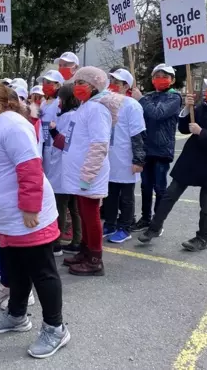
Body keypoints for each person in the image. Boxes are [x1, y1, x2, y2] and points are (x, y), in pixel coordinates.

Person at [0, 81, 70, 359]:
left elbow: (29, 167)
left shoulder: (12, 125)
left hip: (28, 217)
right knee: (14, 271)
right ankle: (16, 315)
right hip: (3, 219)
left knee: (42, 273)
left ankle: (55, 328)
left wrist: (29, 206)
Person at [138, 77, 207, 250]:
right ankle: (154, 228)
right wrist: (187, 109)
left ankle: (202, 239)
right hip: (191, 159)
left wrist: (202, 132)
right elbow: (184, 128)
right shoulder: (204, 107)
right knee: (169, 195)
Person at [61, 67, 123, 276]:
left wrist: (88, 174)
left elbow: (99, 144)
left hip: (89, 173)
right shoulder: (87, 106)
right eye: (76, 83)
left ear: (94, 86)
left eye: (82, 83)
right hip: (81, 172)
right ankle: (85, 251)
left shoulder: (97, 109)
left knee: (91, 214)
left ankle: (95, 259)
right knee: (84, 213)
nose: (77, 87)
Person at [130, 64, 182, 233]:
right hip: (146, 149)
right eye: (157, 76)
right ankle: (145, 218)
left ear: (172, 80)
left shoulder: (174, 98)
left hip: (162, 149)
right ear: (152, 80)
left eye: (165, 76)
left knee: (160, 187)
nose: (161, 79)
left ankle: (157, 222)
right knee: (146, 186)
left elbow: (157, 113)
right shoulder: (149, 96)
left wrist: (141, 100)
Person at [102, 68, 146, 244]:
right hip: (109, 158)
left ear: (126, 86)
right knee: (110, 195)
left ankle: (125, 227)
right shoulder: (105, 102)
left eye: (117, 82)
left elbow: (138, 135)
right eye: (111, 80)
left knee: (126, 197)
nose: (112, 85)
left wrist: (138, 159)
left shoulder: (132, 105)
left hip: (126, 159)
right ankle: (110, 224)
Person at [46, 84, 82, 255]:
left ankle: (56, 242)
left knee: (60, 206)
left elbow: (63, 143)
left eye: (61, 99)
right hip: (69, 168)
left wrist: (53, 131)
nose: (58, 102)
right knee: (74, 207)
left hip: (63, 168)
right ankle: (77, 240)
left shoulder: (70, 117)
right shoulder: (74, 115)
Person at [37, 70, 65, 176]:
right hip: (44, 144)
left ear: (58, 85)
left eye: (49, 83)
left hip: (54, 146)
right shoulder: (43, 103)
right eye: (43, 82)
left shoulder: (59, 103)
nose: (45, 85)